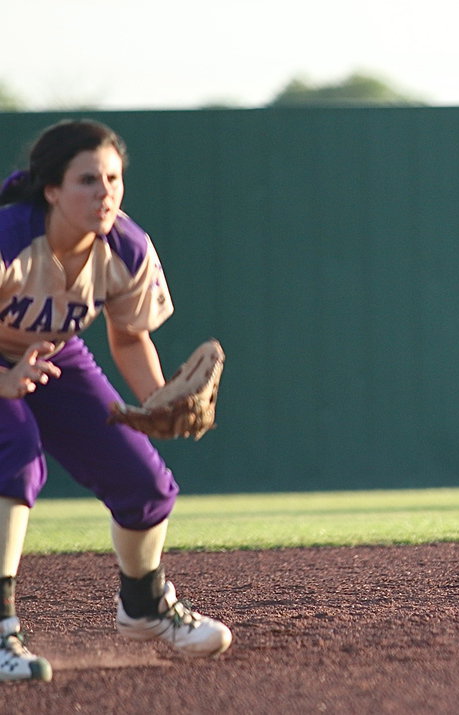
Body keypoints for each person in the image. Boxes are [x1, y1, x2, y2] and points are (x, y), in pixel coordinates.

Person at [0, 120, 231, 683]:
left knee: (143, 481)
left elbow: (128, 335)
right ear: (51, 189)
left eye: (113, 178)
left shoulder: (125, 247)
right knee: (16, 455)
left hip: (54, 355)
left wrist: (155, 400)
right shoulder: (10, 241)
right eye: (87, 180)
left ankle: (145, 605)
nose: (104, 192)